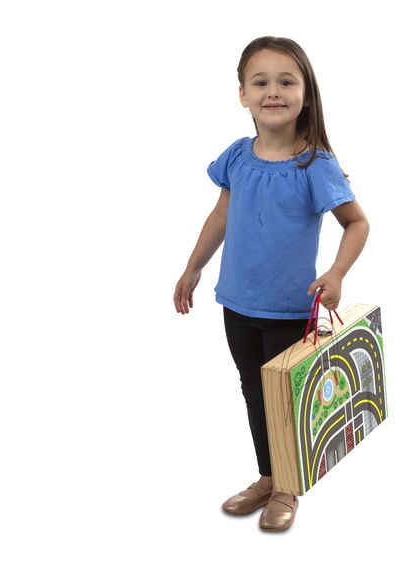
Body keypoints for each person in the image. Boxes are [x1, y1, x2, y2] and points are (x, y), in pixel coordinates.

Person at [173, 36, 370, 532]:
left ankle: (288, 486)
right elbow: (221, 215)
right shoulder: (237, 157)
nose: (273, 91)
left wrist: (336, 273)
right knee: (254, 394)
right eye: (260, 82)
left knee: (286, 403)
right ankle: (267, 476)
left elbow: (357, 222)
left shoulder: (314, 165)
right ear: (243, 94)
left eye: (286, 81)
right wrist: (194, 266)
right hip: (237, 304)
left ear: (306, 93)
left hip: (289, 310)